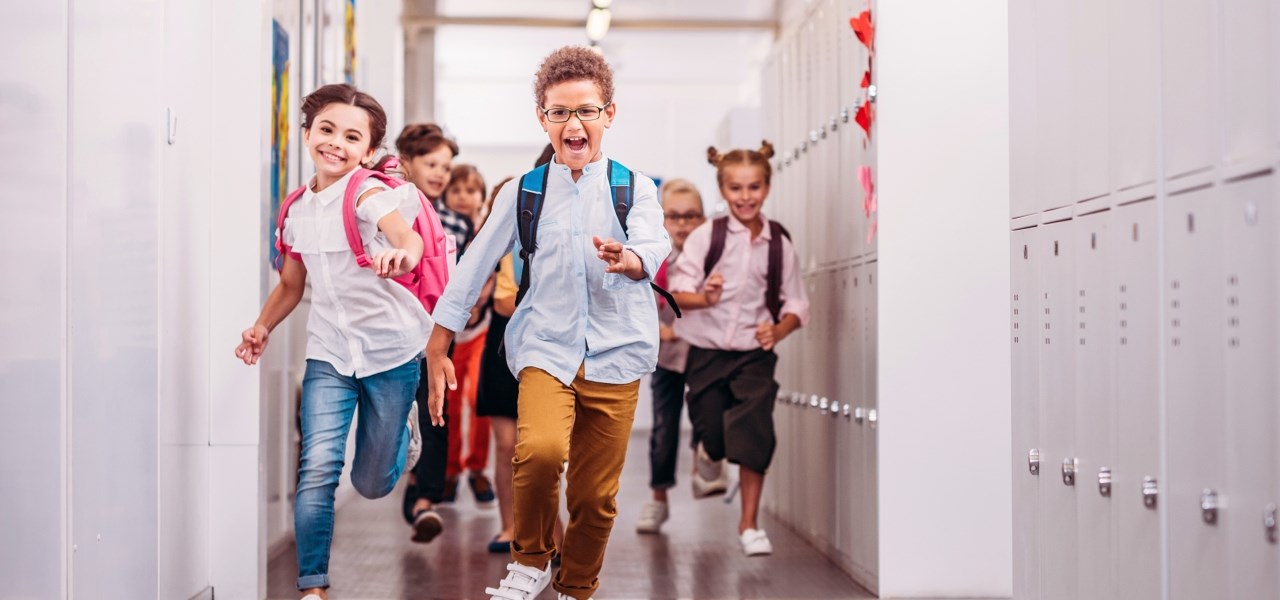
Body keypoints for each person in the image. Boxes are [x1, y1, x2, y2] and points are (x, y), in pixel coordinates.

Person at [426, 46, 671, 600]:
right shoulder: (523, 192)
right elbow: (472, 267)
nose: (573, 123)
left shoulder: (634, 188)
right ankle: (530, 560)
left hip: (616, 351)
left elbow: (654, 246)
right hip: (545, 346)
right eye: (559, 112)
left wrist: (629, 260)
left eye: (586, 110)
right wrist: (438, 342)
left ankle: (576, 586)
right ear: (543, 119)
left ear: (610, 114)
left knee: (595, 496)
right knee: (537, 454)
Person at [235, 83, 429, 600]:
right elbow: (291, 287)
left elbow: (406, 237)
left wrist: (402, 255)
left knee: (370, 483)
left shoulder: (367, 194)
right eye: (326, 130)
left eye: (351, 136)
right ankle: (312, 588)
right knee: (317, 466)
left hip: (392, 350)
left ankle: (402, 433)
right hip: (329, 352)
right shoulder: (297, 208)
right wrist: (262, 327)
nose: (336, 143)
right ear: (307, 134)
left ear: (368, 151)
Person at [668, 141, 810, 557]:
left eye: (753, 187)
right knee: (713, 432)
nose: (745, 197)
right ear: (722, 190)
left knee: (754, 430)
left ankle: (749, 524)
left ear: (766, 188)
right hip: (707, 352)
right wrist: (705, 297)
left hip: (753, 352)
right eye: (736, 189)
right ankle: (708, 453)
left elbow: (796, 301)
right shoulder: (704, 237)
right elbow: (677, 293)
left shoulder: (779, 241)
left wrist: (778, 330)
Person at [393, 122, 457, 542]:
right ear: (407, 163)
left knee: (436, 416)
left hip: (434, 337)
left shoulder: (453, 220)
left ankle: (424, 502)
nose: (439, 173)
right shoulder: (389, 210)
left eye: (447, 166)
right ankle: (413, 489)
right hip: (394, 338)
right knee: (400, 423)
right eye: (430, 163)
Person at [635, 179, 709, 534]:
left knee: (707, 415)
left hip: (705, 352)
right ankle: (658, 498)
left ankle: (703, 469)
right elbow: (639, 302)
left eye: (691, 216)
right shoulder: (655, 256)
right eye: (674, 216)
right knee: (664, 428)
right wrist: (660, 331)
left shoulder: (712, 255)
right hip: (667, 353)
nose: (682, 224)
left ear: (704, 218)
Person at [439, 165, 496, 505]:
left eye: (470, 191)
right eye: (456, 190)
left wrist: (478, 301)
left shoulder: (488, 232)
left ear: (481, 197)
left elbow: (492, 272)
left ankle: (477, 468)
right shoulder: (443, 230)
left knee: (478, 399)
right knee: (449, 402)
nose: (463, 197)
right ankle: (450, 471)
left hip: (480, 329)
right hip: (447, 333)